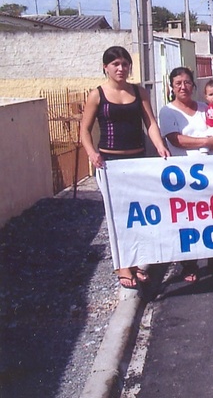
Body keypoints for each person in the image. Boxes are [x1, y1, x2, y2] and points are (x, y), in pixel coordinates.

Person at [80, 46, 171, 289]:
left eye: (125, 64)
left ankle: (137, 261)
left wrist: (160, 146)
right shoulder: (97, 95)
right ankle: (123, 266)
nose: (121, 68)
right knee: (117, 216)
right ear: (105, 67)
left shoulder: (139, 92)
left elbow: (150, 123)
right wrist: (92, 153)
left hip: (137, 161)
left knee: (138, 215)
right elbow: (84, 130)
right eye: (115, 64)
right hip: (109, 165)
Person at [159, 67, 213, 282]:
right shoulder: (167, 111)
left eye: (187, 82)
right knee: (187, 220)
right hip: (184, 176)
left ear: (193, 85)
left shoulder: (205, 108)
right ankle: (189, 265)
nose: (183, 86)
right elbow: (175, 139)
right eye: (178, 83)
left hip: (212, 173)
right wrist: (206, 142)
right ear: (171, 87)